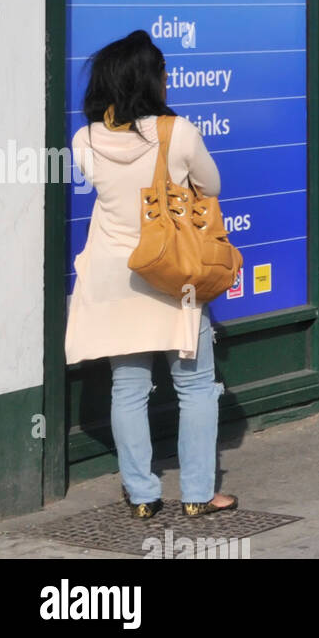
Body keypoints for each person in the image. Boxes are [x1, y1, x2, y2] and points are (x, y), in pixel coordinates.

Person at [65, 30, 238, 519]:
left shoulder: (85, 139)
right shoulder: (176, 133)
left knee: (128, 389)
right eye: (164, 75)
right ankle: (199, 494)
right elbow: (213, 184)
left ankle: (142, 496)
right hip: (170, 273)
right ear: (152, 81)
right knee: (197, 386)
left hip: (114, 277)